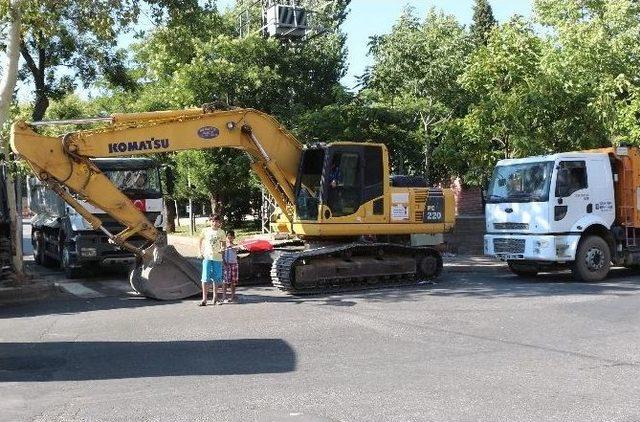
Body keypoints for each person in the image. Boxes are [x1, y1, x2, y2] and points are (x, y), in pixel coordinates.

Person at [198, 215, 226, 306]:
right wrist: (200, 251)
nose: (214, 223)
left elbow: (224, 244)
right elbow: (200, 240)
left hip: (217, 258)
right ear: (210, 221)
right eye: (213, 221)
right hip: (207, 257)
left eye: (216, 221)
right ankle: (204, 299)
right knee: (205, 278)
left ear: (219, 222)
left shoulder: (221, 232)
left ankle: (215, 298)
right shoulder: (205, 231)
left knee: (216, 278)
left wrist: (223, 248)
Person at [222, 230, 239, 303]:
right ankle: (224, 296)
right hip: (226, 264)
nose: (229, 238)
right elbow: (222, 254)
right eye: (228, 237)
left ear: (233, 237)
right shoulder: (224, 246)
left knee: (233, 281)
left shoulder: (235, 245)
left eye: (231, 237)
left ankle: (232, 296)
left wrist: (231, 246)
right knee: (225, 281)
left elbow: (236, 249)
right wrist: (223, 261)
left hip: (234, 264)